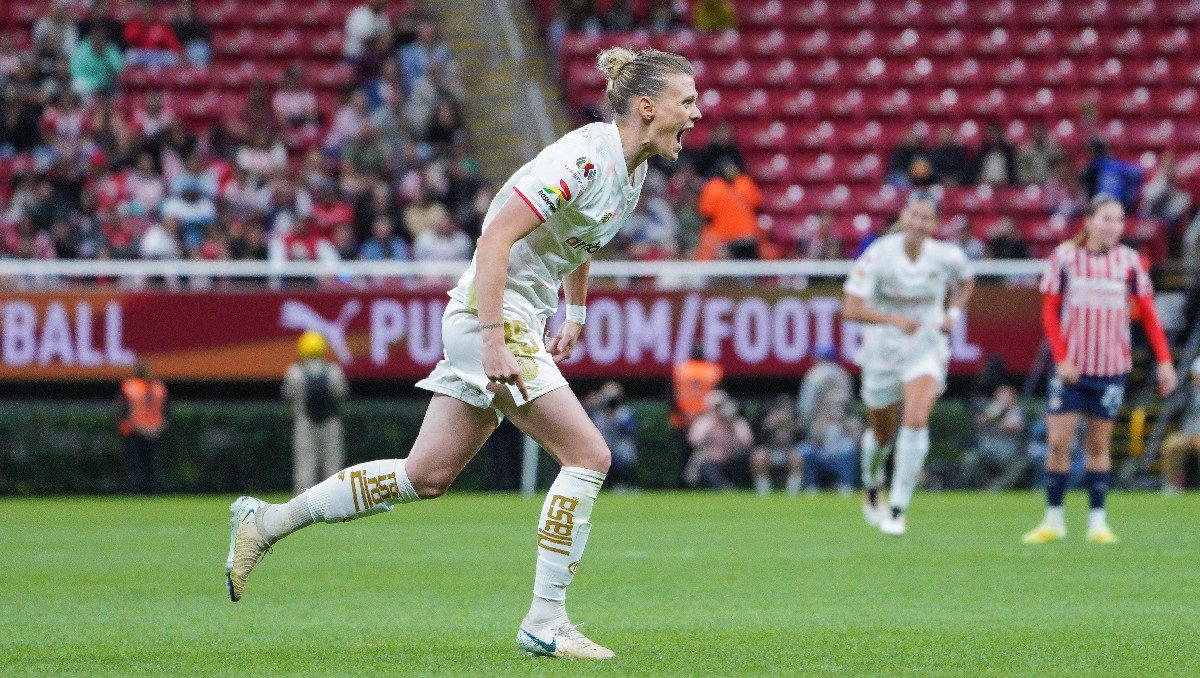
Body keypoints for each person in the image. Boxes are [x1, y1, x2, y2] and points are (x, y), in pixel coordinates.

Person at [224, 46, 700, 661]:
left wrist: (575, 309)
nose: (695, 113)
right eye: (686, 100)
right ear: (647, 106)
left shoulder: (629, 170)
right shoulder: (584, 160)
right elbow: (497, 234)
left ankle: (266, 523)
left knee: (426, 476)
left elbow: (581, 237)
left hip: (503, 319)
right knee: (588, 454)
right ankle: (545, 620)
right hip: (488, 319)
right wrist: (498, 336)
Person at [1022, 194, 1177, 544]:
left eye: (1119, 220)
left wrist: (1165, 360)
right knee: (1058, 443)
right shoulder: (1065, 257)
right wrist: (1060, 357)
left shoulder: (1131, 262)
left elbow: (1149, 315)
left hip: (1111, 368)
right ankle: (1053, 519)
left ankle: (1097, 522)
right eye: (1106, 218)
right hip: (1071, 368)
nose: (1113, 226)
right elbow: (1049, 311)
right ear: (1089, 221)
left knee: (1098, 443)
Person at [843, 191, 976, 536]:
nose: (919, 223)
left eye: (926, 218)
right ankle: (872, 483)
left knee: (915, 420)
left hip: (925, 347)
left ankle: (899, 507)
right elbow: (850, 308)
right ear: (903, 216)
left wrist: (953, 313)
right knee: (882, 433)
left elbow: (967, 279)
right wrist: (892, 319)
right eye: (914, 215)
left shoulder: (946, 256)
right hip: (883, 351)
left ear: (935, 223)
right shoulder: (878, 255)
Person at [283, 331, 350, 493]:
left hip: (304, 422)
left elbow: (288, 395)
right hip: (331, 422)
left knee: (305, 465)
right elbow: (342, 393)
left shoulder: (294, 372)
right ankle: (335, 500)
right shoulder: (334, 371)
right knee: (333, 464)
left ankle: (302, 504)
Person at [958, 385, 1030, 491]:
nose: (1004, 399)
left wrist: (998, 420)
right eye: (1001, 396)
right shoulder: (992, 409)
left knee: (1021, 463)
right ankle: (971, 488)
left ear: (1013, 398)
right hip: (987, 454)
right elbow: (980, 421)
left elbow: (1016, 426)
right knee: (969, 459)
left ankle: (992, 490)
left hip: (1008, 456)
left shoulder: (1017, 412)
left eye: (1007, 396)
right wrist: (994, 413)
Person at [685, 390, 753, 489]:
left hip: (731, 460)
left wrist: (732, 425)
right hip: (711, 461)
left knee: (746, 455)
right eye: (717, 406)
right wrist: (712, 423)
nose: (719, 409)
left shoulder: (736, 421)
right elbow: (694, 441)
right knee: (704, 464)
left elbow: (747, 441)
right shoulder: (704, 421)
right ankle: (725, 488)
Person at [117, 361, 168, 494]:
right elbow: (166, 412)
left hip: (139, 432)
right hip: (148, 432)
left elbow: (122, 411)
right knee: (148, 465)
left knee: (138, 465)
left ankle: (139, 492)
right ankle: (148, 491)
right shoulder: (157, 386)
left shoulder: (130, 386)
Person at [585, 381, 638, 488]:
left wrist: (615, 419)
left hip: (620, 452)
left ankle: (621, 484)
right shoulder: (597, 414)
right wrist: (590, 403)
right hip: (599, 451)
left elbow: (630, 431)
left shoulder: (624, 413)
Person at [749, 394, 804, 495]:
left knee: (796, 457)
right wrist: (769, 426)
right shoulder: (766, 418)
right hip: (770, 451)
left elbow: (802, 439)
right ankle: (764, 492)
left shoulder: (795, 419)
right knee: (758, 456)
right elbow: (756, 440)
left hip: (788, 452)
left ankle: (792, 493)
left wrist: (793, 426)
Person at [1161, 356, 1200, 494]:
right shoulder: (1187, 392)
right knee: (1170, 445)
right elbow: (1175, 408)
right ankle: (1172, 486)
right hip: (1186, 434)